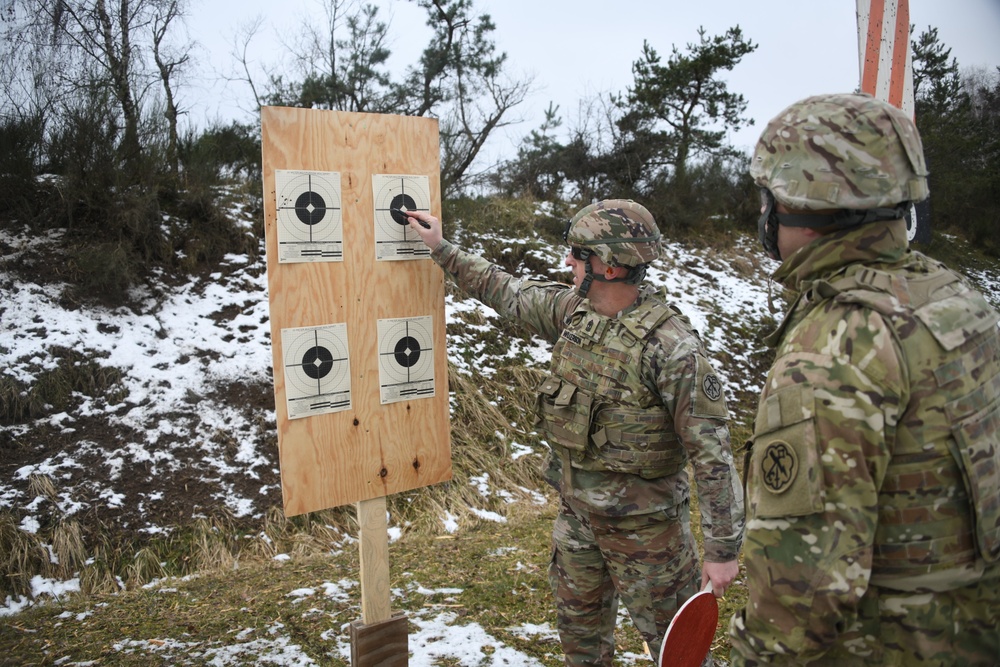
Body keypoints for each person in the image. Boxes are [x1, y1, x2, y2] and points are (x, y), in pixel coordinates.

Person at [405, 200, 744, 665]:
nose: (567, 262)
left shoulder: (673, 349)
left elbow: (712, 455)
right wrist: (441, 248)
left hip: (649, 538)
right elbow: (505, 290)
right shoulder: (573, 313)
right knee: (581, 649)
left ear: (608, 264)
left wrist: (723, 549)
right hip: (577, 522)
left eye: (577, 253)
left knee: (679, 655)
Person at [728, 92, 1000, 666]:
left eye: (769, 199)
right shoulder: (951, 296)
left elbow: (799, 596)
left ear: (803, 205)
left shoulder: (836, 346)